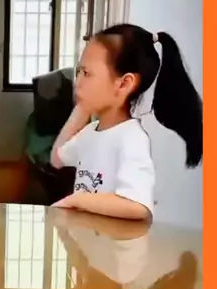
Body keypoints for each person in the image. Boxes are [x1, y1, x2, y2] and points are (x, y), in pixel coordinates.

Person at [50, 25, 203, 220]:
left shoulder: (131, 138)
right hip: (87, 238)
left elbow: (137, 206)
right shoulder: (91, 132)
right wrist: (81, 110)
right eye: (78, 72)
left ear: (124, 84)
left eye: (87, 73)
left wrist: (77, 200)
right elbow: (57, 158)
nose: (77, 82)